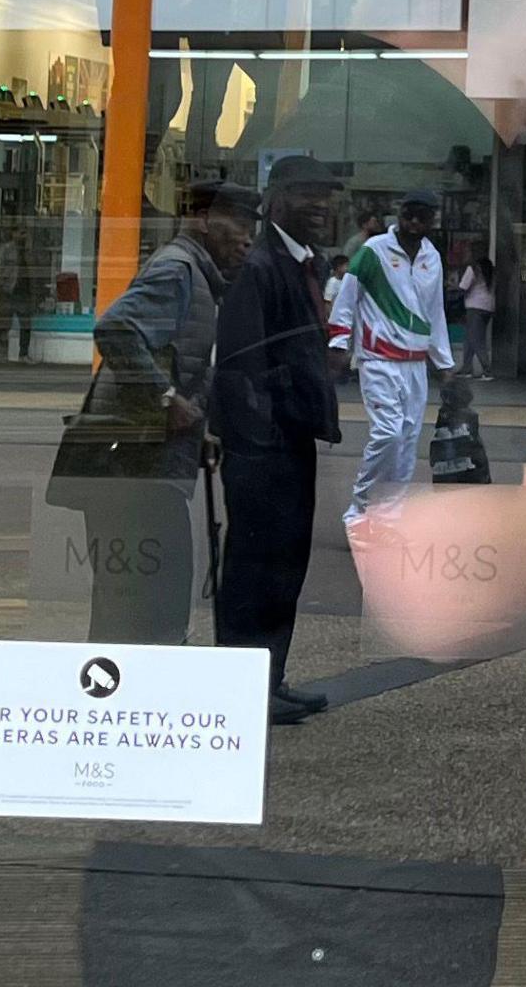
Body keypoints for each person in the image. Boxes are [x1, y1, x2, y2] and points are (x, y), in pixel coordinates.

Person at [69, 180, 251, 643]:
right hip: (130, 463)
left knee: (150, 595)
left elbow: (180, 358)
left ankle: (135, 691)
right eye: (239, 222)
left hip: (146, 459)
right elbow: (116, 330)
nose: (248, 236)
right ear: (202, 219)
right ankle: (123, 697)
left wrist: (194, 423)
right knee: (142, 600)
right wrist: (167, 400)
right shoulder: (177, 269)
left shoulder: (199, 276)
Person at [215, 157, 347, 723]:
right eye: (306, 194)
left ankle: (269, 675)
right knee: (255, 565)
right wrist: (258, 437)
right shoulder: (261, 264)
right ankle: (245, 685)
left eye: (326, 195)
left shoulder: (300, 263)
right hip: (263, 447)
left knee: (285, 563)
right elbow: (242, 361)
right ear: (276, 200)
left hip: (290, 439)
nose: (320, 205)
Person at [337, 192, 454, 530]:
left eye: (423, 217)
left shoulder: (432, 256)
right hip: (379, 361)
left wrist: (444, 365)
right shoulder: (373, 251)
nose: (414, 223)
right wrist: (338, 342)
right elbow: (347, 297)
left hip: (416, 364)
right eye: (409, 216)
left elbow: (436, 312)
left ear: (433, 219)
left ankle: (388, 518)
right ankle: (359, 510)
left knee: (406, 442)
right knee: (387, 434)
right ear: (399, 215)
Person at [449, 231, 498, 380]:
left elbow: (464, 287)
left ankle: (487, 370)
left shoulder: (473, 268)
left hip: (474, 307)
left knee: (476, 340)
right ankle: (466, 368)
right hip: (488, 307)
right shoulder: (489, 267)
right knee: (470, 338)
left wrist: (450, 286)